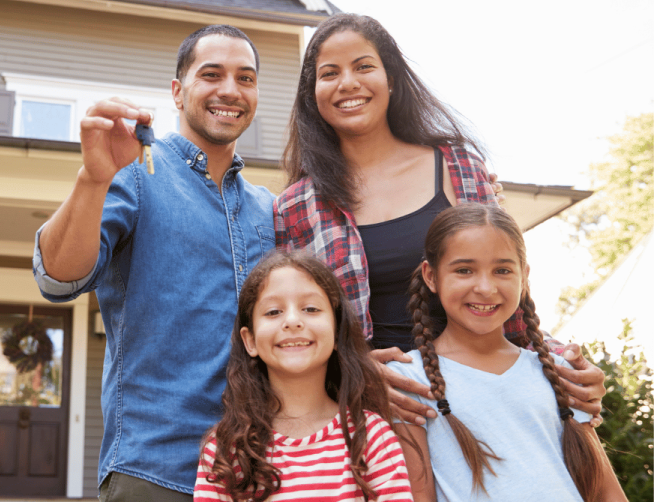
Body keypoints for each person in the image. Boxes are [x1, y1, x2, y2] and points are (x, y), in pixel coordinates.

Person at [274, 13, 606, 425]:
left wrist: (565, 365)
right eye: (329, 73)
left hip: (481, 396)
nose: (348, 83)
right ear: (313, 93)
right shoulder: (295, 207)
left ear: (391, 78)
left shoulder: (460, 166)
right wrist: (352, 374)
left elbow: (508, 294)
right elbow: (296, 327)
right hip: (376, 414)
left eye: (363, 66)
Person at [33, 25, 274, 501]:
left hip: (259, 470)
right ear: (178, 92)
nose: (230, 89)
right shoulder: (136, 173)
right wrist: (92, 179)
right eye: (212, 74)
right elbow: (57, 279)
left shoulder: (268, 207)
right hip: (156, 472)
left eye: (245, 78)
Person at [387, 203, 625, 502]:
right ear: (431, 276)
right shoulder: (408, 381)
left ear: (524, 277)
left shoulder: (558, 371)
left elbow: (606, 491)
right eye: (464, 270)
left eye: (502, 270)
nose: (485, 287)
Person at [195, 250, 413, 501]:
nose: (292, 321)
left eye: (310, 308)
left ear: (337, 331)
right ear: (250, 340)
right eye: (273, 312)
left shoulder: (372, 436)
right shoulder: (225, 448)